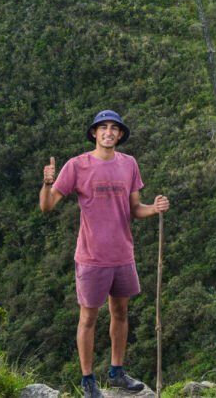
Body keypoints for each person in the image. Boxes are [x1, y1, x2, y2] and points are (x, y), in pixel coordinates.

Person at [40, 109, 170, 397]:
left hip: (123, 255)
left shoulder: (129, 165)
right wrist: (47, 183)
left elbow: (135, 209)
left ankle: (117, 373)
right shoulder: (77, 165)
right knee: (88, 318)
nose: (109, 132)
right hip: (91, 257)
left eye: (114, 128)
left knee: (121, 312)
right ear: (94, 133)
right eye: (103, 128)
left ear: (120, 134)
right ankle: (88, 380)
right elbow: (47, 206)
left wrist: (155, 208)